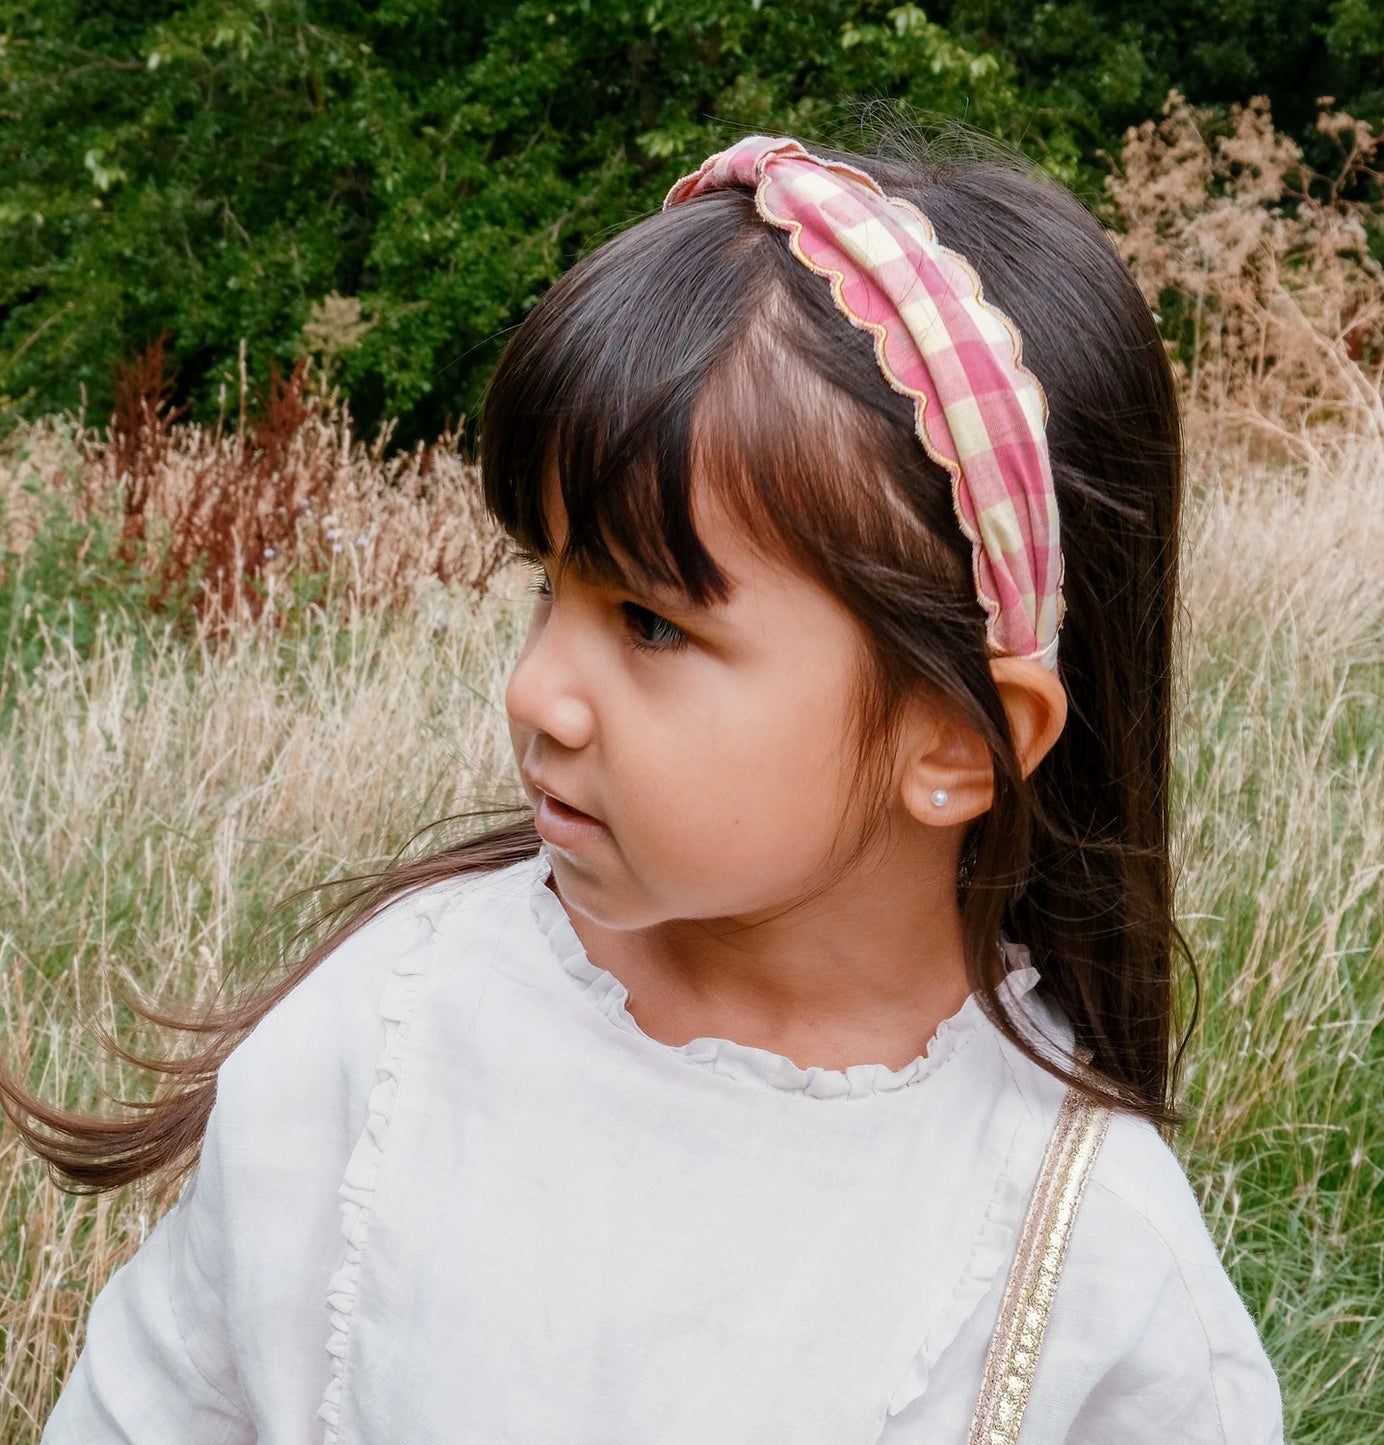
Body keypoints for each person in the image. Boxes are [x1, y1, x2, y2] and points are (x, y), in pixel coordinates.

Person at [10, 135, 1284, 1442]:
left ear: (955, 738)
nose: (537, 693)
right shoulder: (389, 1028)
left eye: (653, 624)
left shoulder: (1093, 1271)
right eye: (545, 587)